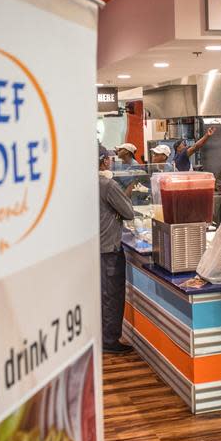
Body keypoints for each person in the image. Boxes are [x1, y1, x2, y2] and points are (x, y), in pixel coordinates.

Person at [98, 144, 135, 354]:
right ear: (104, 161)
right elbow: (128, 212)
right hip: (109, 247)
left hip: (94, 246)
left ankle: (103, 335)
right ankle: (110, 340)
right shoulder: (107, 185)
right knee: (112, 294)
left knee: (101, 294)